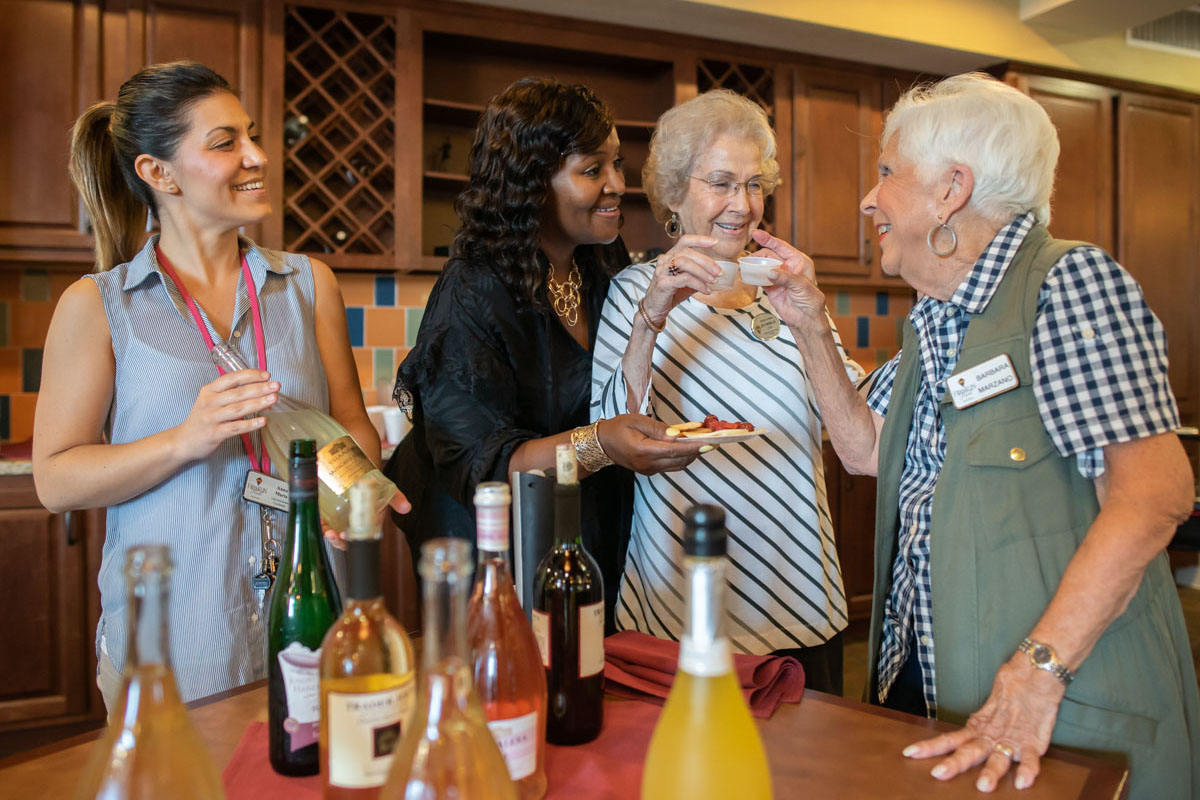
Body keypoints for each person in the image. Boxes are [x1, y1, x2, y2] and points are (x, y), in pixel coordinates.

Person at [752, 72, 1199, 796]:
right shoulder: (937, 319)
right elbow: (865, 449)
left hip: (1057, 716)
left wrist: (1036, 673)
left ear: (952, 188)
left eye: (888, 173)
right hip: (936, 696)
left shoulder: (1066, 284)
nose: (870, 199)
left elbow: (1156, 494)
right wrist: (806, 319)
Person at [33, 61, 395, 708]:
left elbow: (350, 422)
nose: (257, 155)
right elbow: (56, 477)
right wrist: (185, 440)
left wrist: (356, 494)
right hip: (173, 645)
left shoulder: (311, 285)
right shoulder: (98, 306)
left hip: (314, 616)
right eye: (226, 142)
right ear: (158, 173)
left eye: (251, 135)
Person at [388, 78, 706, 619]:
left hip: (570, 531)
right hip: (486, 550)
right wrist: (600, 444)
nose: (616, 186)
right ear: (532, 184)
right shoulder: (474, 288)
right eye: (591, 171)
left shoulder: (598, 263)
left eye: (617, 165)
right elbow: (484, 466)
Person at [590, 89, 863, 693]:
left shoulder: (786, 290)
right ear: (674, 196)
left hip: (798, 594)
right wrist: (652, 317)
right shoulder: (636, 291)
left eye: (755, 183)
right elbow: (611, 435)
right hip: (680, 602)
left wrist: (810, 317)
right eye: (721, 183)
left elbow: (855, 429)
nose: (743, 205)